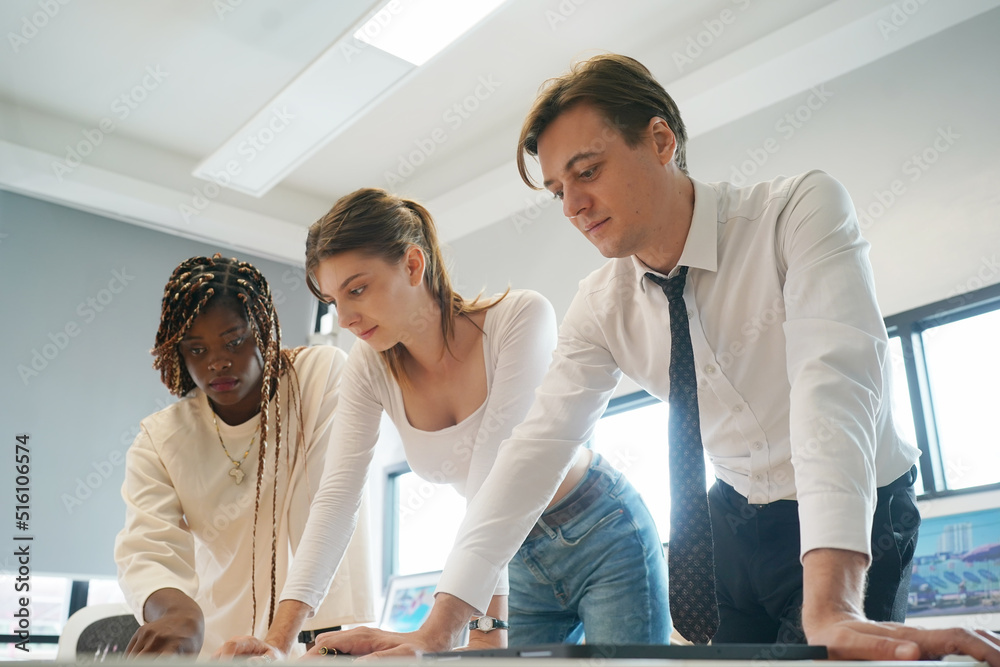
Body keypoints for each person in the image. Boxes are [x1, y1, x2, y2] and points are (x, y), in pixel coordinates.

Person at [300, 54, 1000, 663]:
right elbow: (532, 448)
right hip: (731, 517)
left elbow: (835, 385)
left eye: (588, 171)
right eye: (557, 190)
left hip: (855, 509)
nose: (573, 204)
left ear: (660, 140)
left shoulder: (799, 214)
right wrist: (442, 625)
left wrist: (834, 600)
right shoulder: (600, 305)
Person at [216, 188, 670, 658]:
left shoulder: (519, 319)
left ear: (414, 265)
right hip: (510, 560)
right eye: (333, 300)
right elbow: (336, 499)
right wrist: (277, 643)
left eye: (357, 289)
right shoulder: (369, 367)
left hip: (600, 530)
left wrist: (463, 630)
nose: (346, 318)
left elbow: (501, 476)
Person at [114, 254, 375, 657]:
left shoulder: (319, 377)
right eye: (196, 349)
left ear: (263, 329)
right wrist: (178, 613)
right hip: (224, 650)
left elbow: (333, 505)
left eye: (234, 341)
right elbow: (147, 549)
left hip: (325, 638)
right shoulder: (162, 438)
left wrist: (280, 641)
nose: (216, 361)